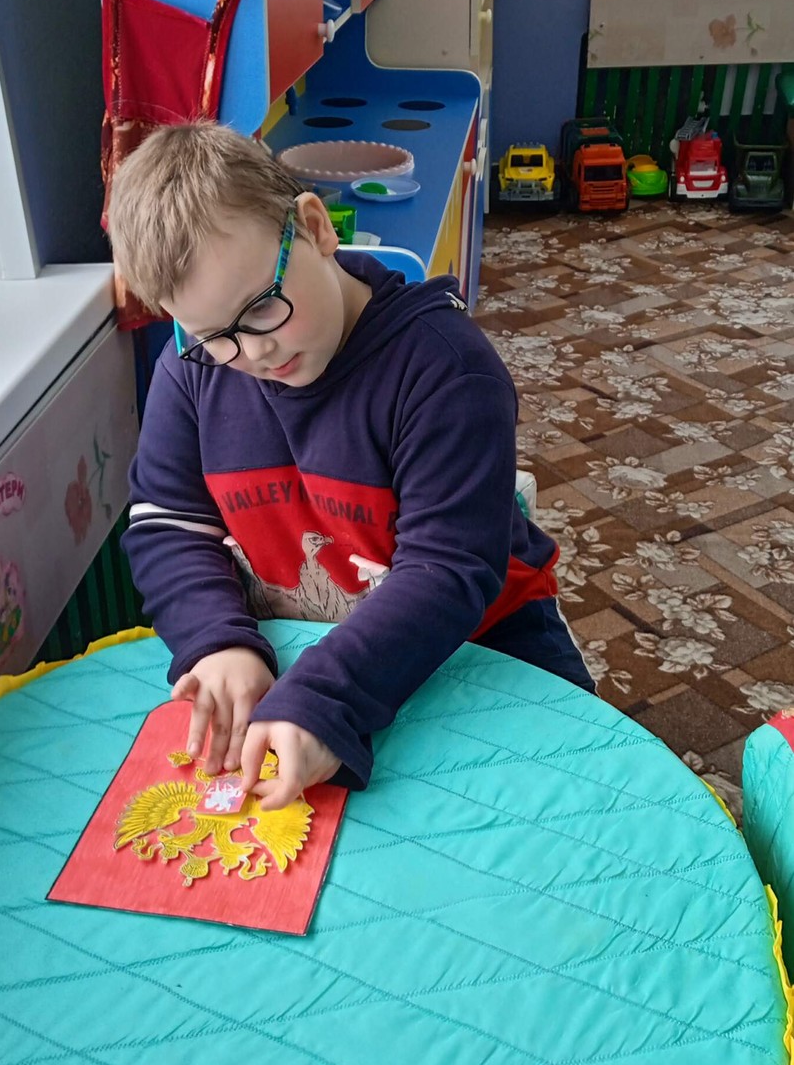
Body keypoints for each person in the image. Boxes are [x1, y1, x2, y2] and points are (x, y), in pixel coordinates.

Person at [108, 122, 594, 813]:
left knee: (565, 800)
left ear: (315, 228)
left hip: (483, 631)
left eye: (262, 307)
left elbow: (448, 571)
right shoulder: (192, 372)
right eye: (215, 336)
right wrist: (216, 642)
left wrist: (327, 696)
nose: (253, 353)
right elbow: (167, 525)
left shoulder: (446, 370)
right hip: (306, 632)